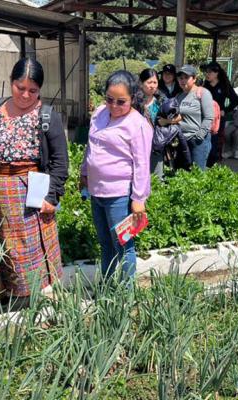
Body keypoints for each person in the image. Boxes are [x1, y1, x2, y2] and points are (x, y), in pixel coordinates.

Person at [0, 58, 68, 299]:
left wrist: (52, 196)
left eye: (33, 90)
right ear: (11, 83)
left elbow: (61, 161)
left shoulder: (47, 116)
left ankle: (35, 298)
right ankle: (4, 297)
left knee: (28, 248)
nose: (26, 95)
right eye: (20, 88)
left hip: (29, 190)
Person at [80, 71, 153, 281]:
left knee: (124, 245)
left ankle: (125, 295)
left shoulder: (137, 124)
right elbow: (91, 145)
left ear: (132, 99)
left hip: (120, 196)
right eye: (110, 99)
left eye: (121, 102)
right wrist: (84, 172)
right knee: (105, 243)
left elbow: (141, 165)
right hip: (97, 192)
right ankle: (108, 286)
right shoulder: (100, 113)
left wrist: (138, 199)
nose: (114, 105)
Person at [175, 64, 215, 170]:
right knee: (182, 174)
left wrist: (199, 137)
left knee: (197, 175)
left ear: (194, 79)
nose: (183, 81)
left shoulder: (203, 93)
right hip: (182, 141)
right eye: (180, 78)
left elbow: (209, 117)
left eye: (186, 77)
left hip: (198, 142)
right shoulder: (179, 96)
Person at [203, 61, 238, 166]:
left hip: (218, 118)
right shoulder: (204, 85)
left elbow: (235, 100)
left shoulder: (224, 85)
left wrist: (225, 110)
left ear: (216, 73)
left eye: (210, 72)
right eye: (206, 72)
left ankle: (214, 163)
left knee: (215, 141)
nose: (207, 74)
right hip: (205, 117)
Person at [138, 68, 165, 177]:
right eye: (149, 82)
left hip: (155, 145)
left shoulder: (161, 100)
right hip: (138, 145)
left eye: (155, 82)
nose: (152, 85)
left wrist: (165, 121)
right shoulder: (134, 101)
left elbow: (177, 117)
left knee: (156, 177)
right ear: (141, 83)